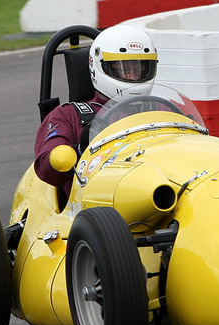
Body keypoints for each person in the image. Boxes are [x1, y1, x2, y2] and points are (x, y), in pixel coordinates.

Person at [33, 24, 157, 199]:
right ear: (98, 66)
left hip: (157, 193)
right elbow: (47, 170)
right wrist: (77, 151)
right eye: (124, 69)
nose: (132, 76)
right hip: (93, 204)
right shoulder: (69, 116)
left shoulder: (161, 109)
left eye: (140, 69)